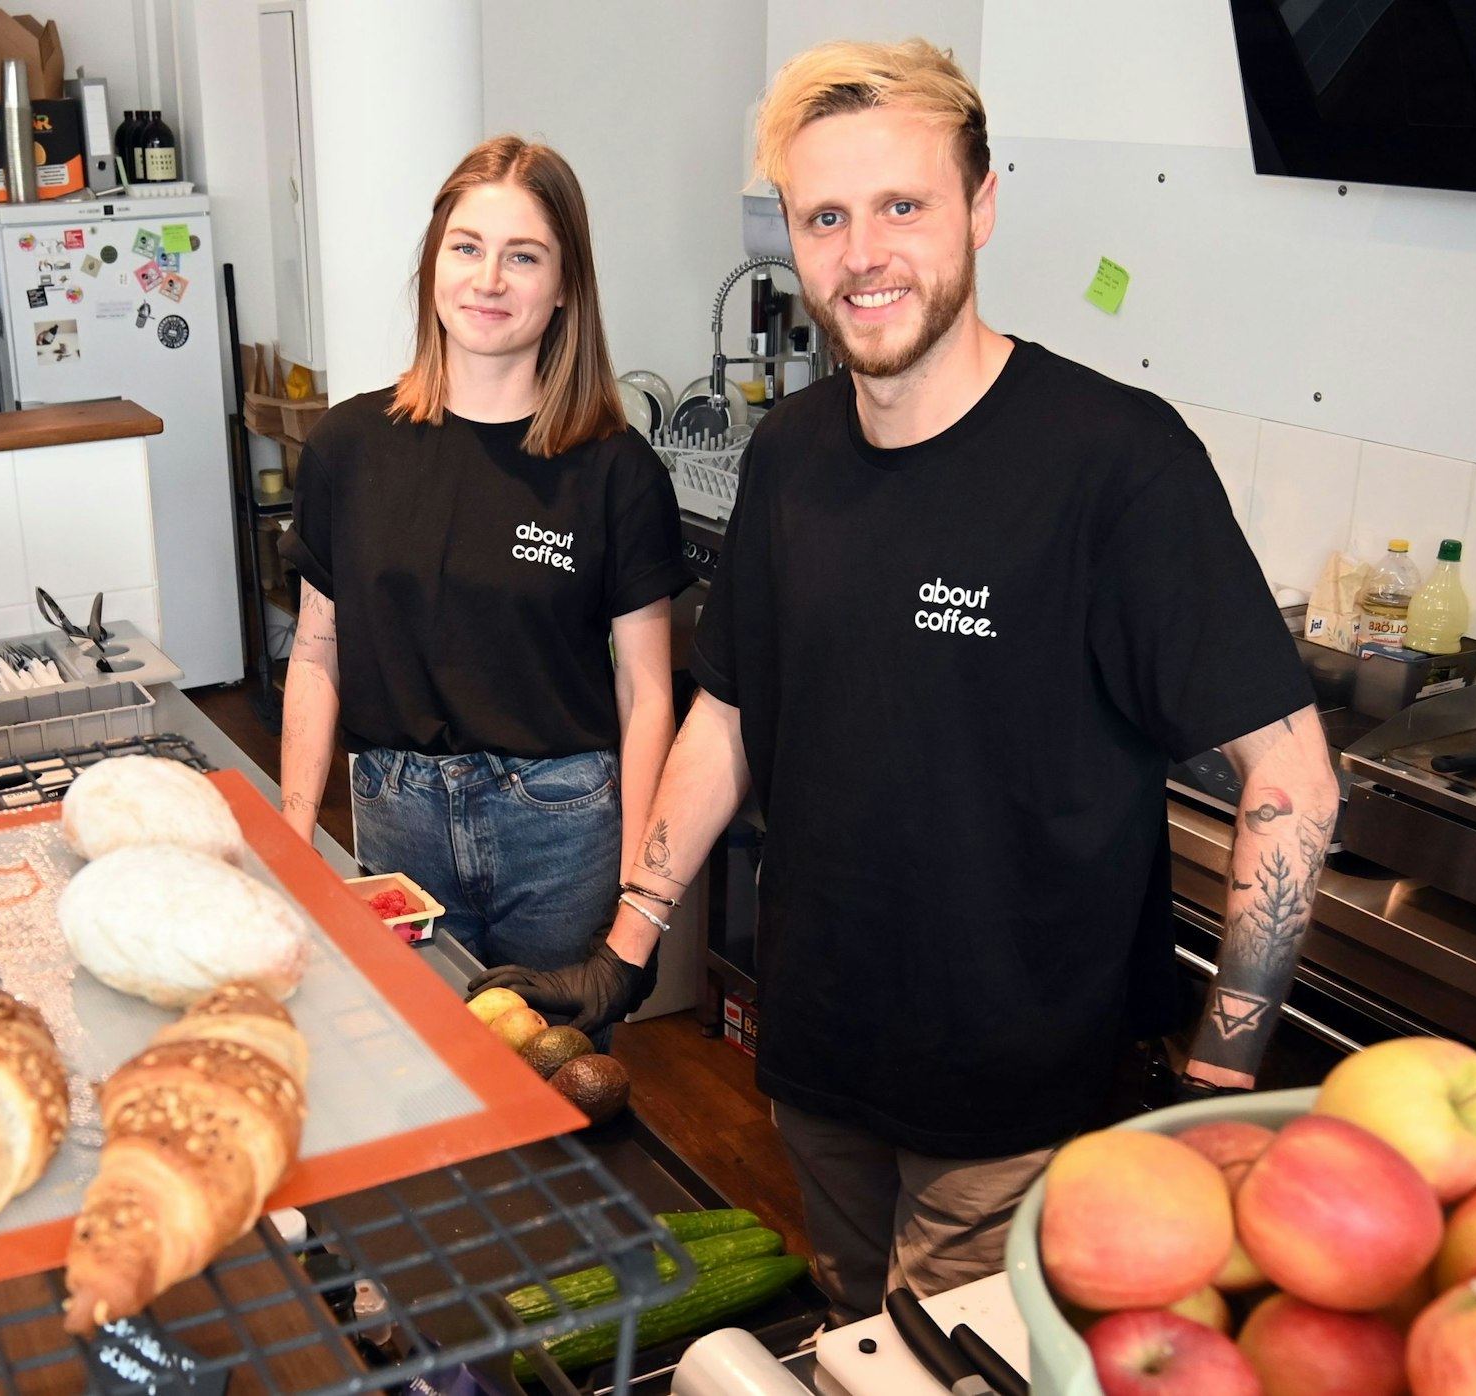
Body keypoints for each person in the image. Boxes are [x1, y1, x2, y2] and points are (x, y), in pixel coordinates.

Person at [470, 40, 1340, 1323]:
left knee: (942, 1358)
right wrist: (625, 945)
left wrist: (1220, 1083)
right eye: (825, 215)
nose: (862, 253)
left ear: (980, 206)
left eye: (902, 206)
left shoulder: (1114, 463)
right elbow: (728, 714)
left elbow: (1294, 775)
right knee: (850, 1325)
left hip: (1014, 1096)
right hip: (817, 1059)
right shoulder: (790, 454)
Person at [278, 136, 692, 994]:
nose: (489, 280)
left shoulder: (616, 469)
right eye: (466, 248)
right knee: (418, 1077)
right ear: (434, 263)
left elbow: (648, 693)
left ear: (566, 283)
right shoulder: (348, 449)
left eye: (524, 256)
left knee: (557, 1087)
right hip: (396, 819)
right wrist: (291, 840)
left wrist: (631, 898)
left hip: (562, 829)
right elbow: (317, 653)